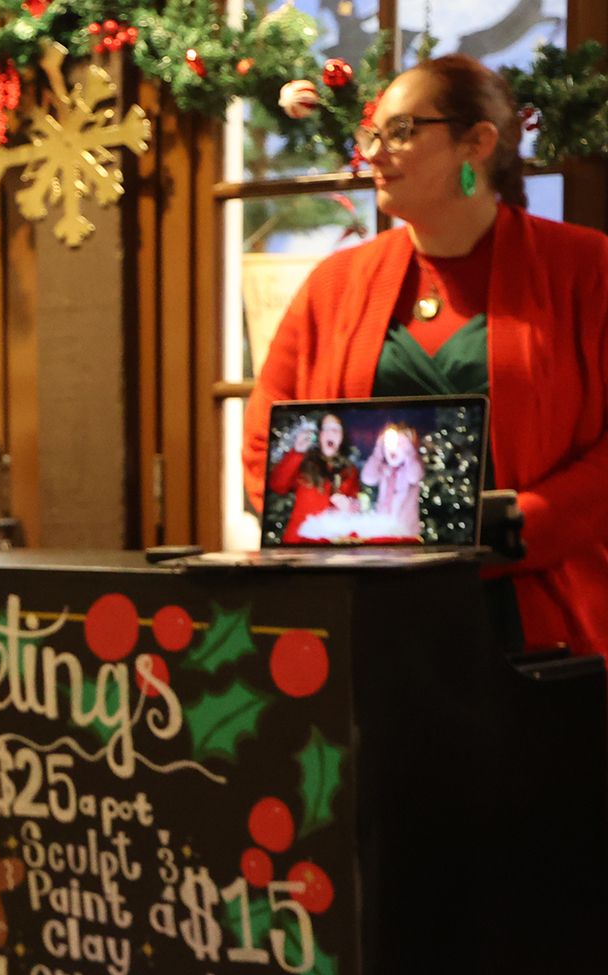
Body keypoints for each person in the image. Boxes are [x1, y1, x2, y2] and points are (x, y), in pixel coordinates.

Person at [245, 54, 608, 655]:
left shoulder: (586, 268)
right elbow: (265, 442)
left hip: (538, 616)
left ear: (477, 143)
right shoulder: (334, 284)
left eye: (401, 132)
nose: (373, 153)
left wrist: (522, 526)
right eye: (371, 134)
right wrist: (335, 528)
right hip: (365, 617)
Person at [267, 412, 360, 543]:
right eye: (326, 428)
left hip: (332, 547)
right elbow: (277, 485)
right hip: (300, 546)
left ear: (342, 437)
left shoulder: (350, 472)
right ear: (319, 435)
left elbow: (355, 507)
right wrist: (297, 452)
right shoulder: (304, 463)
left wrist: (349, 507)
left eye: (336, 429)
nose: (331, 432)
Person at [361, 421, 426, 539]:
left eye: (401, 443)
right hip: (382, 529)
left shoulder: (412, 466)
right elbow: (368, 478)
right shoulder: (384, 469)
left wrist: (408, 450)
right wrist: (378, 451)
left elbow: (414, 477)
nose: (394, 449)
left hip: (406, 532)